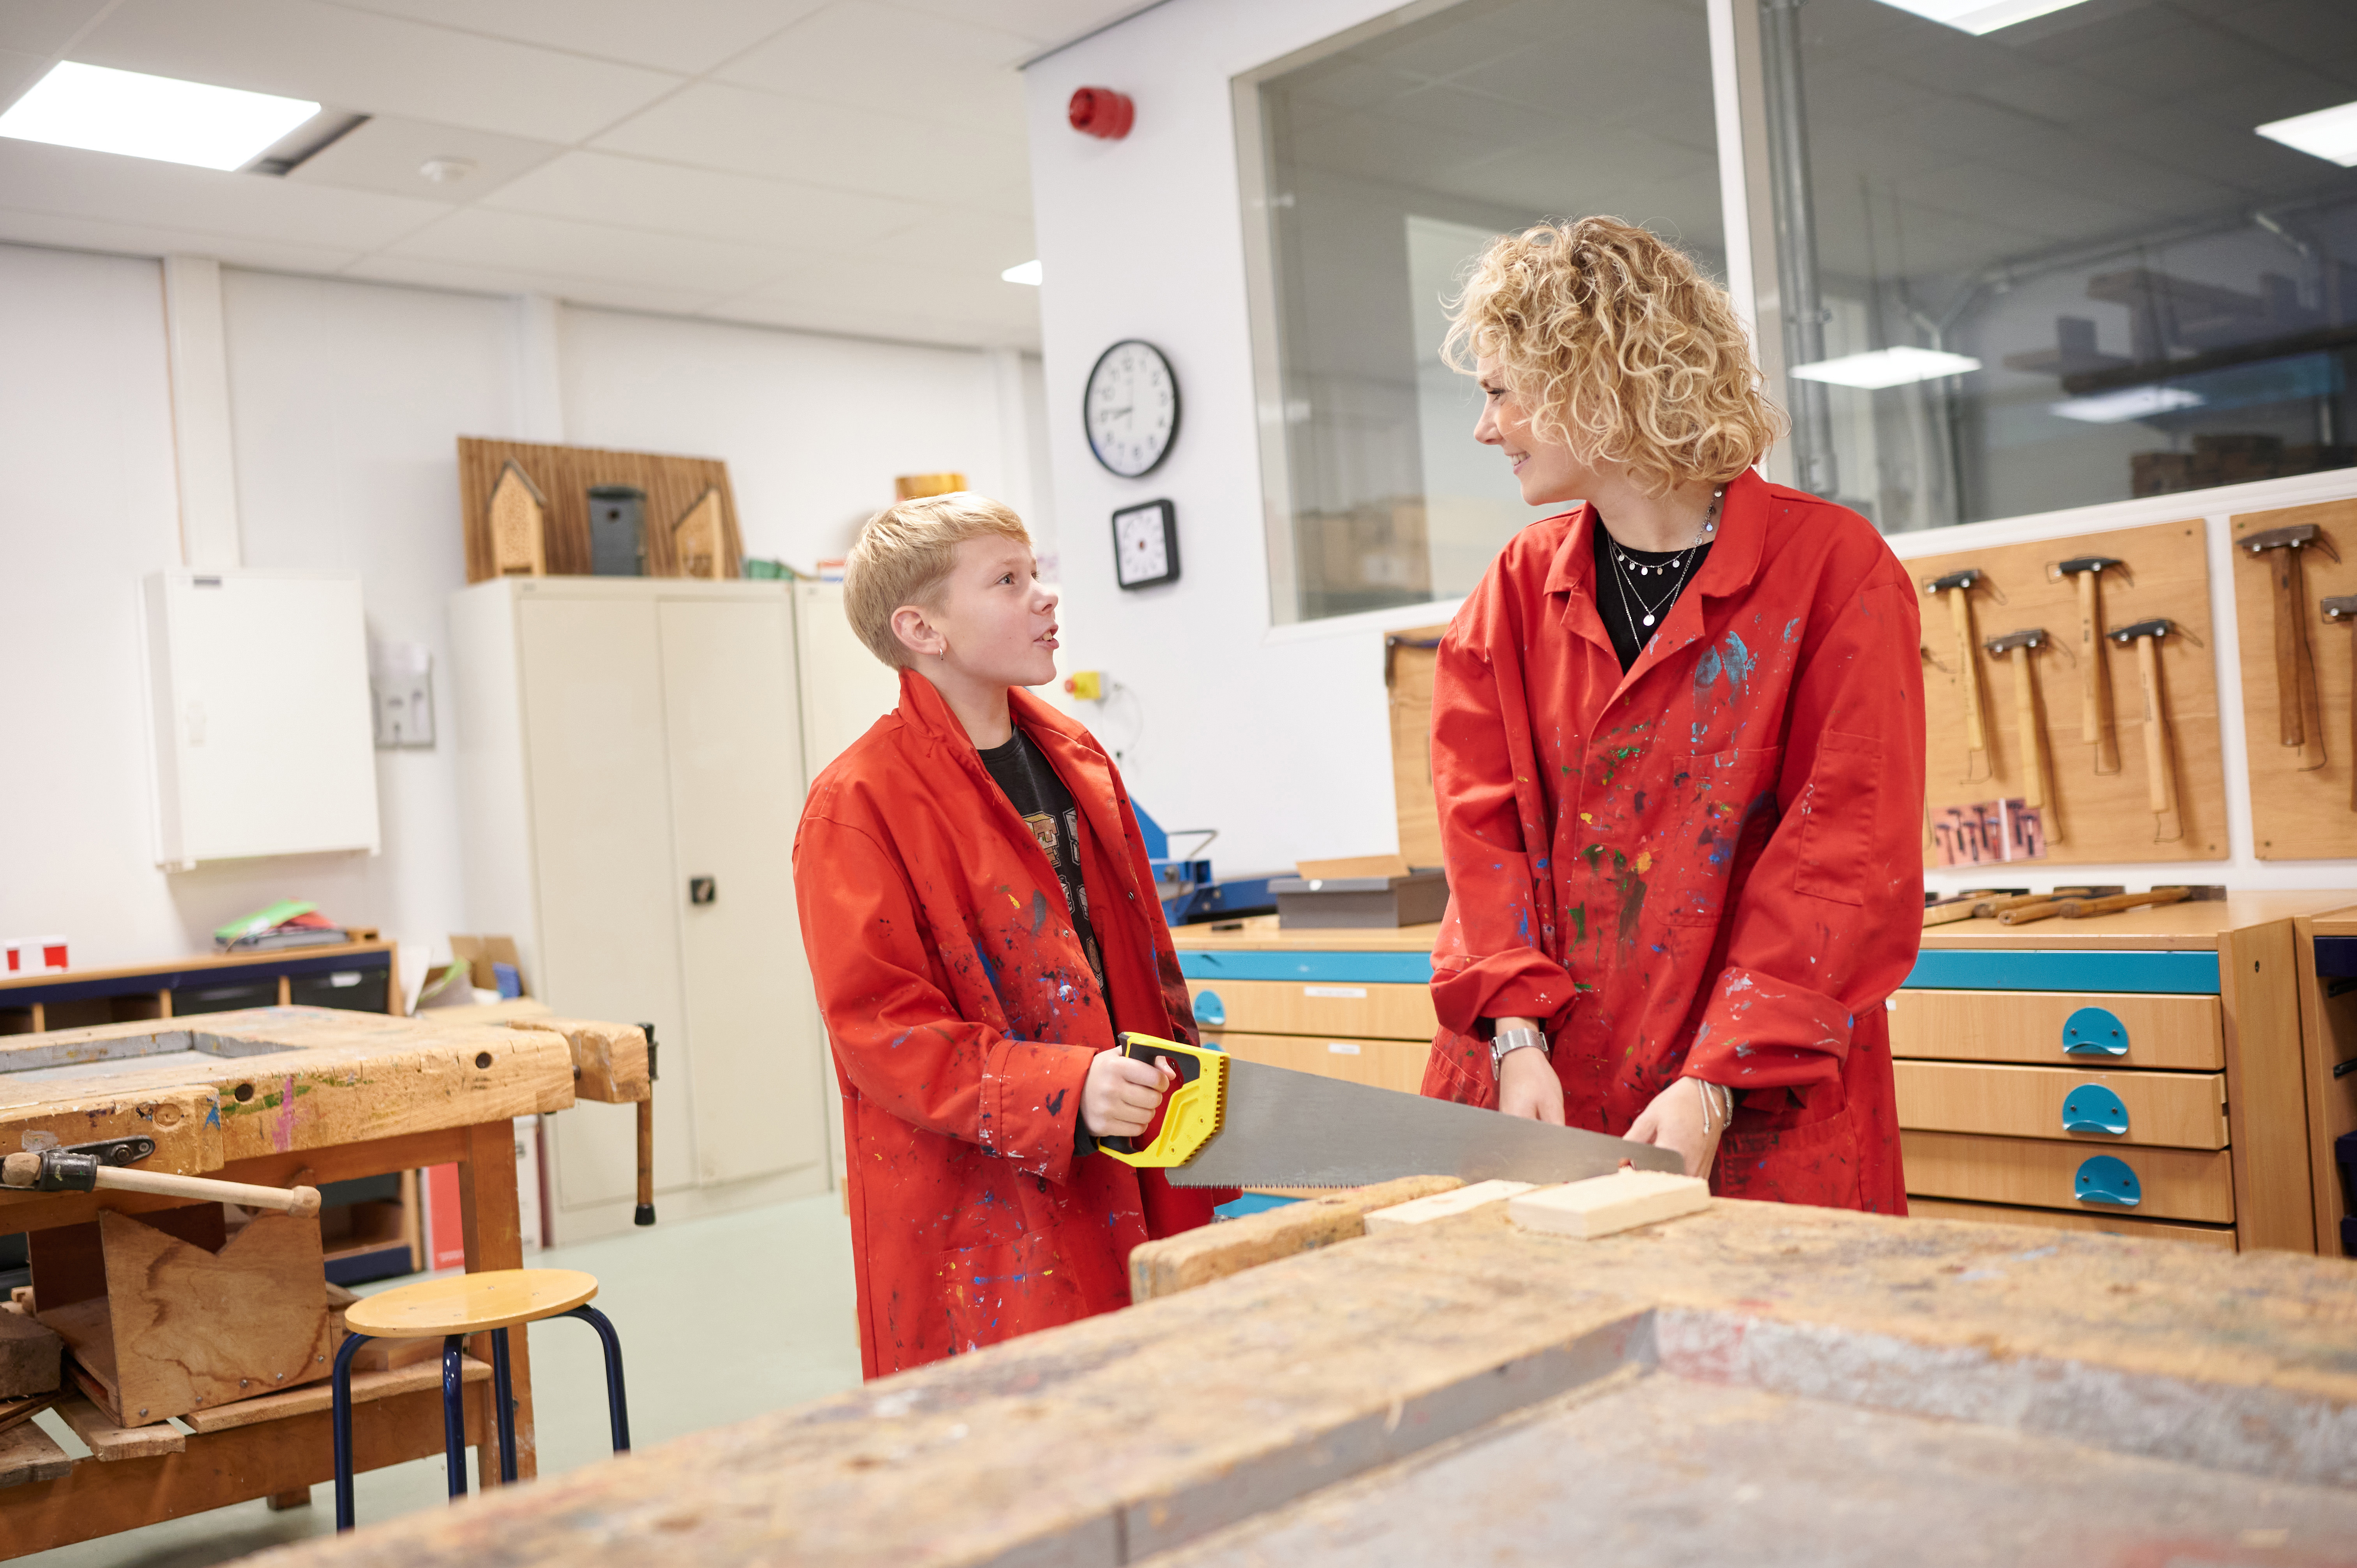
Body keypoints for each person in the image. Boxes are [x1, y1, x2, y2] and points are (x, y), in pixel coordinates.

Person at [1420, 216, 1923, 1211]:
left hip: (1752, 1097)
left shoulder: (1833, 573)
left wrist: (1716, 1082)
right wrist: (1515, 1038)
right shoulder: (1515, 591)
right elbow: (1481, 844)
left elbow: (1843, 857)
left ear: (1591, 380)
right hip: (1540, 1089)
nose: (1486, 428)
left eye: (1499, 391)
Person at [793, 493, 1222, 1378]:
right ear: (923, 627)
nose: (1047, 596)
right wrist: (1065, 1089)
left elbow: (1136, 963)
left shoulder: (1078, 756)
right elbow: (885, 1033)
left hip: (1130, 1150)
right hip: (983, 1203)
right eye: (1009, 580)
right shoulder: (859, 804)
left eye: (1039, 573)